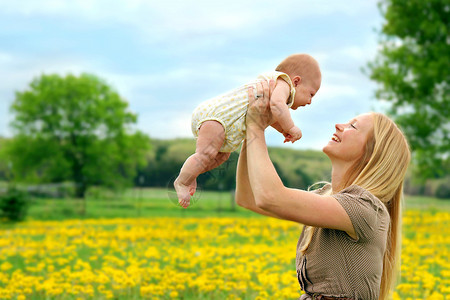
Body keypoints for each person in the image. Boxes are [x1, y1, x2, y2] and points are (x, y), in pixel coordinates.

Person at [235, 80, 411, 300]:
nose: (339, 125)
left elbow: (270, 197)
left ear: (371, 154)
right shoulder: (328, 198)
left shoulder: (365, 209)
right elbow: (248, 198)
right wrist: (250, 131)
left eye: (352, 126)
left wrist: (255, 127)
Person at [175, 54, 321, 208]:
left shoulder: (275, 90)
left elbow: (266, 115)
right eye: (311, 94)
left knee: (221, 157)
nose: (310, 101)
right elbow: (277, 105)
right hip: (217, 118)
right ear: (296, 82)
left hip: (225, 126)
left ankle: (192, 173)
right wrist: (291, 127)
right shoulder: (283, 83)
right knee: (206, 154)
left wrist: (282, 129)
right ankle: (182, 182)